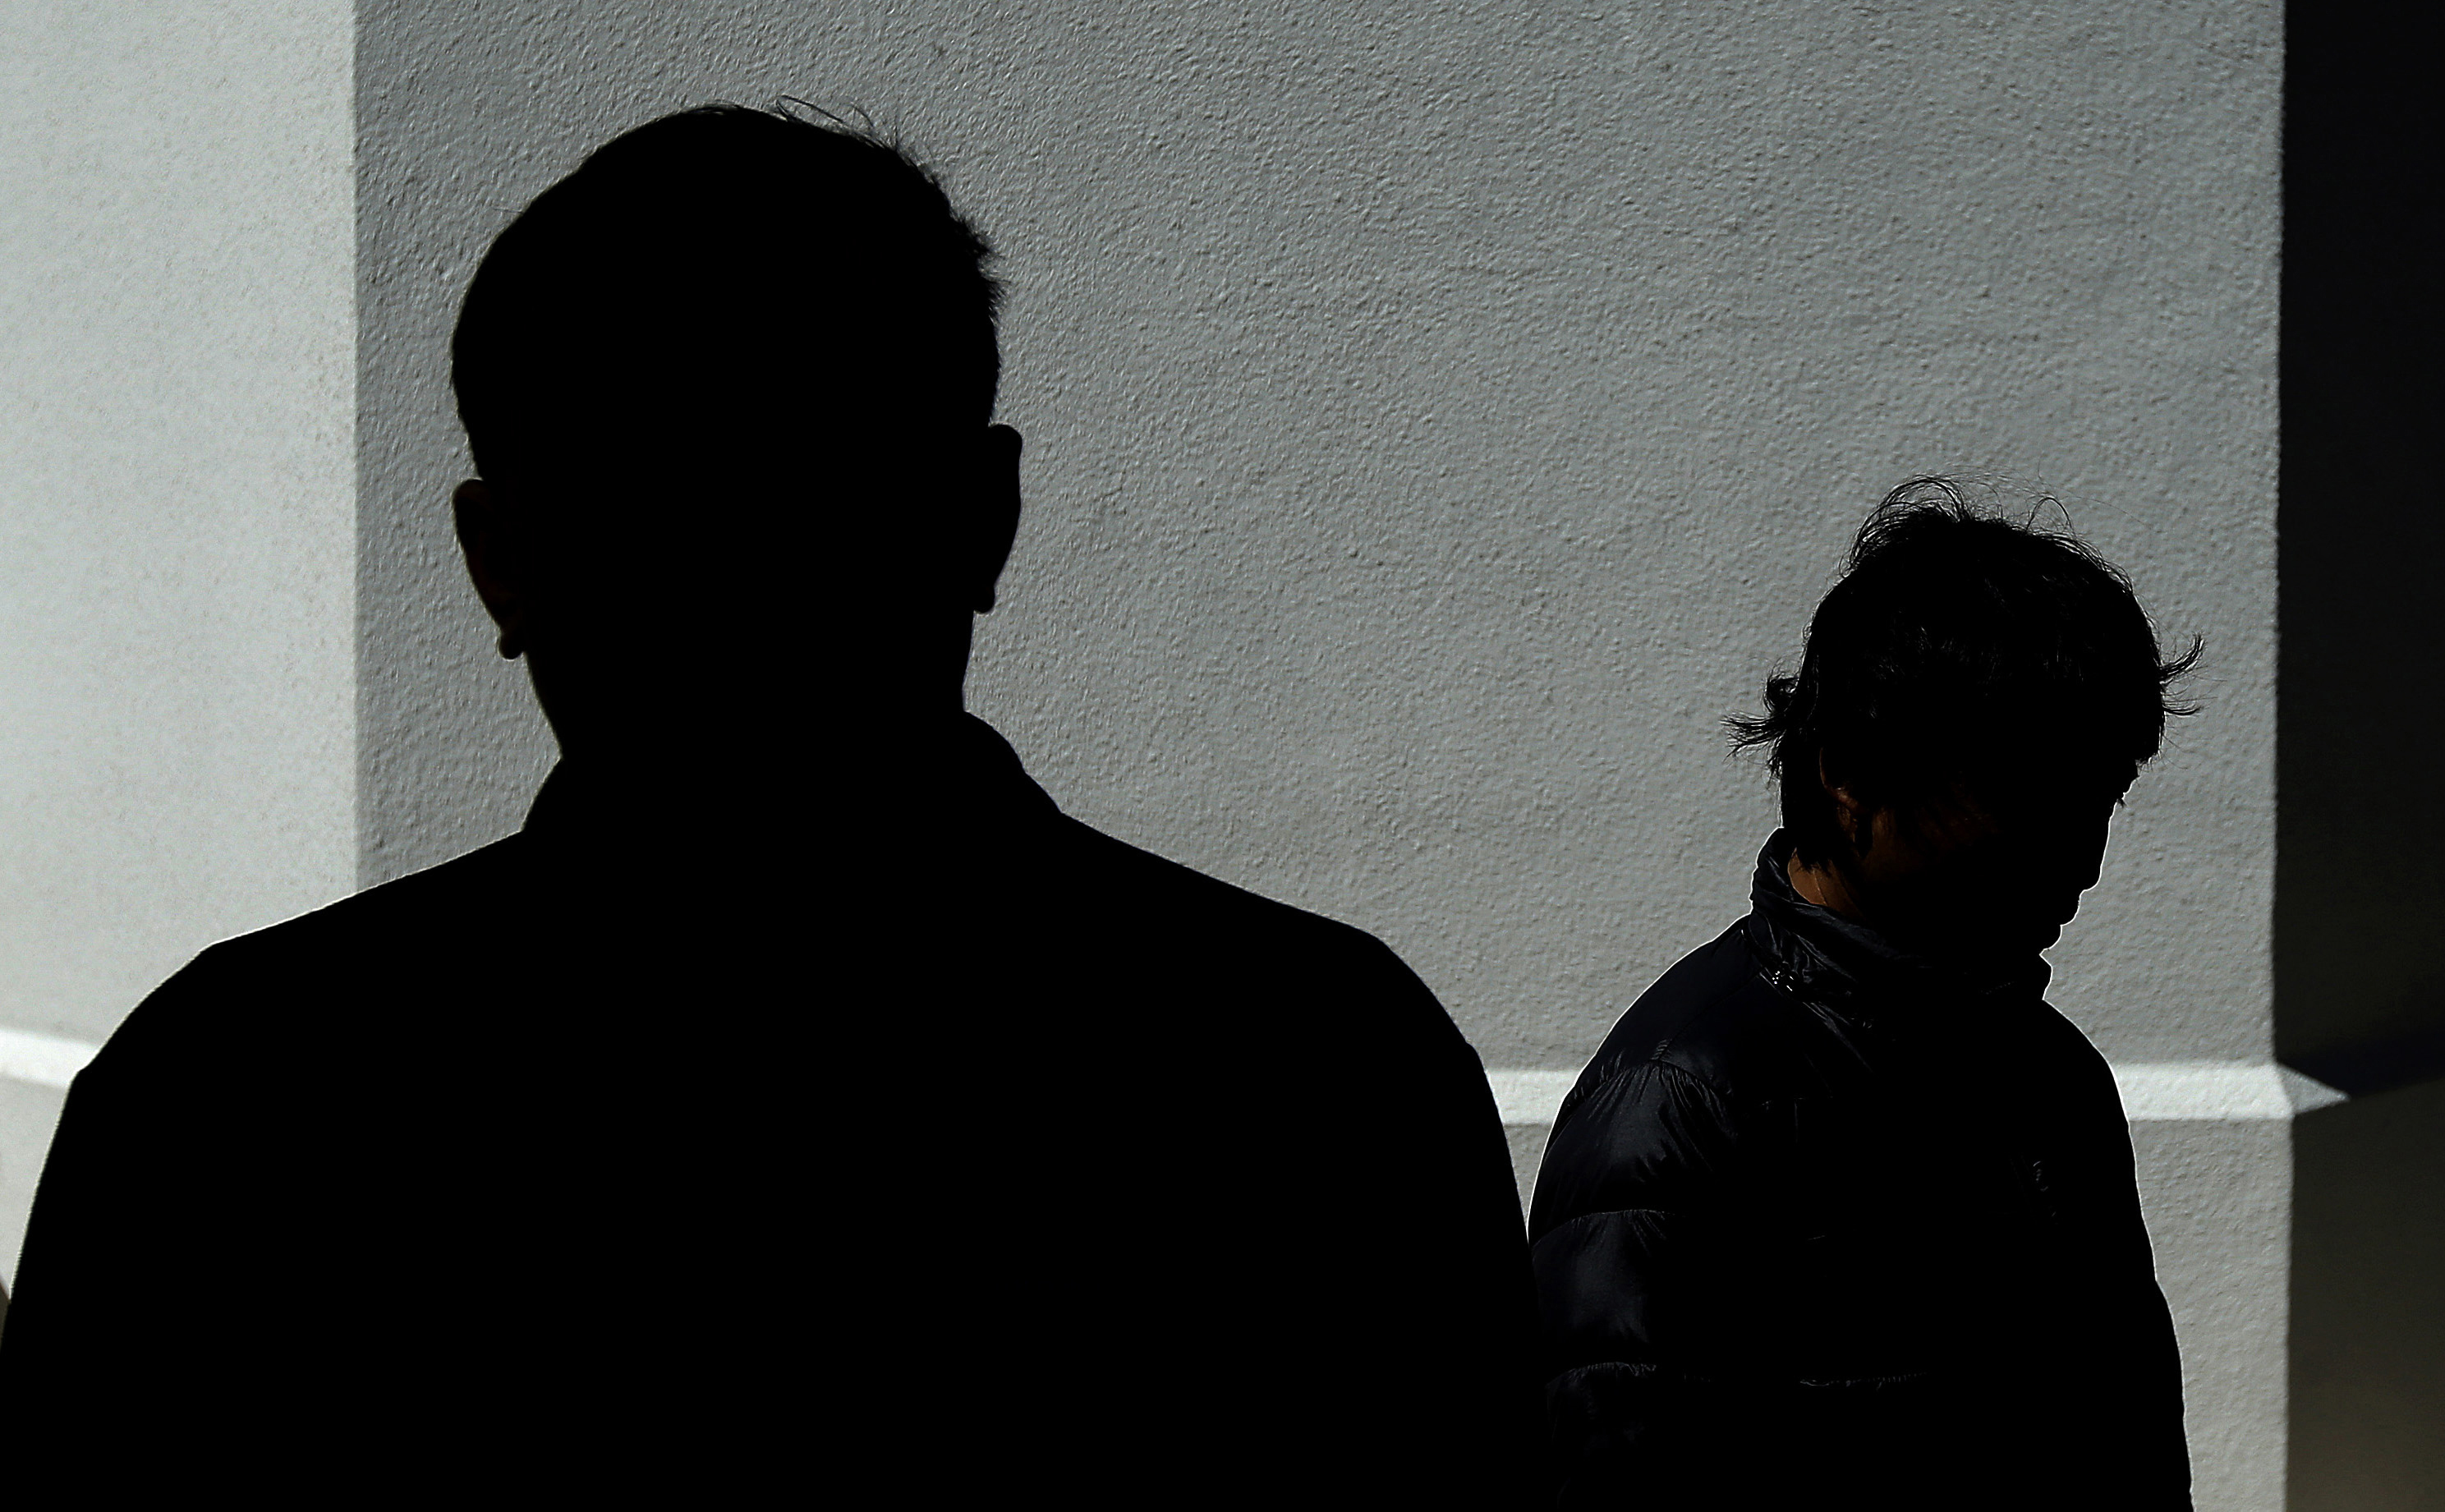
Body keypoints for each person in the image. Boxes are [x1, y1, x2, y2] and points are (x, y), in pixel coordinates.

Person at [0, 105, 1537, 1501]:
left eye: (801, 493)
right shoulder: (1318, 1070)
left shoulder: (232, 1102)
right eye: (665, 504)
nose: (738, 584)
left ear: (497, 562)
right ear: (985, 518)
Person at [1528, 481, 2196, 1509]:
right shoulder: (1682, 1107)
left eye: (2099, 799)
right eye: (2027, 802)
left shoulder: (2051, 1076)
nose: (2084, 860)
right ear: (1849, 770)